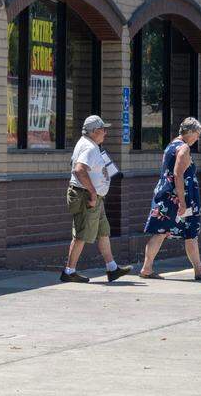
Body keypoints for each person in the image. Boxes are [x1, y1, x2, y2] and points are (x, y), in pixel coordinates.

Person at [139, 118, 201, 281]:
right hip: (178, 198)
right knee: (189, 232)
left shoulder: (171, 145)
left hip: (165, 195)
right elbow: (178, 174)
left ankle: (147, 269)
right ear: (190, 132)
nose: (197, 138)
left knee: (161, 231)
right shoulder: (183, 148)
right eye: (197, 134)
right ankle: (198, 271)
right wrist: (182, 202)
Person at [61, 115, 132, 283]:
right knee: (82, 234)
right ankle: (69, 271)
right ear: (94, 131)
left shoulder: (89, 144)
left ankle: (112, 268)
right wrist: (93, 193)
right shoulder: (89, 147)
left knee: (103, 232)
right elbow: (79, 170)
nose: (105, 133)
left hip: (95, 197)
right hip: (88, 196)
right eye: (102, 130)